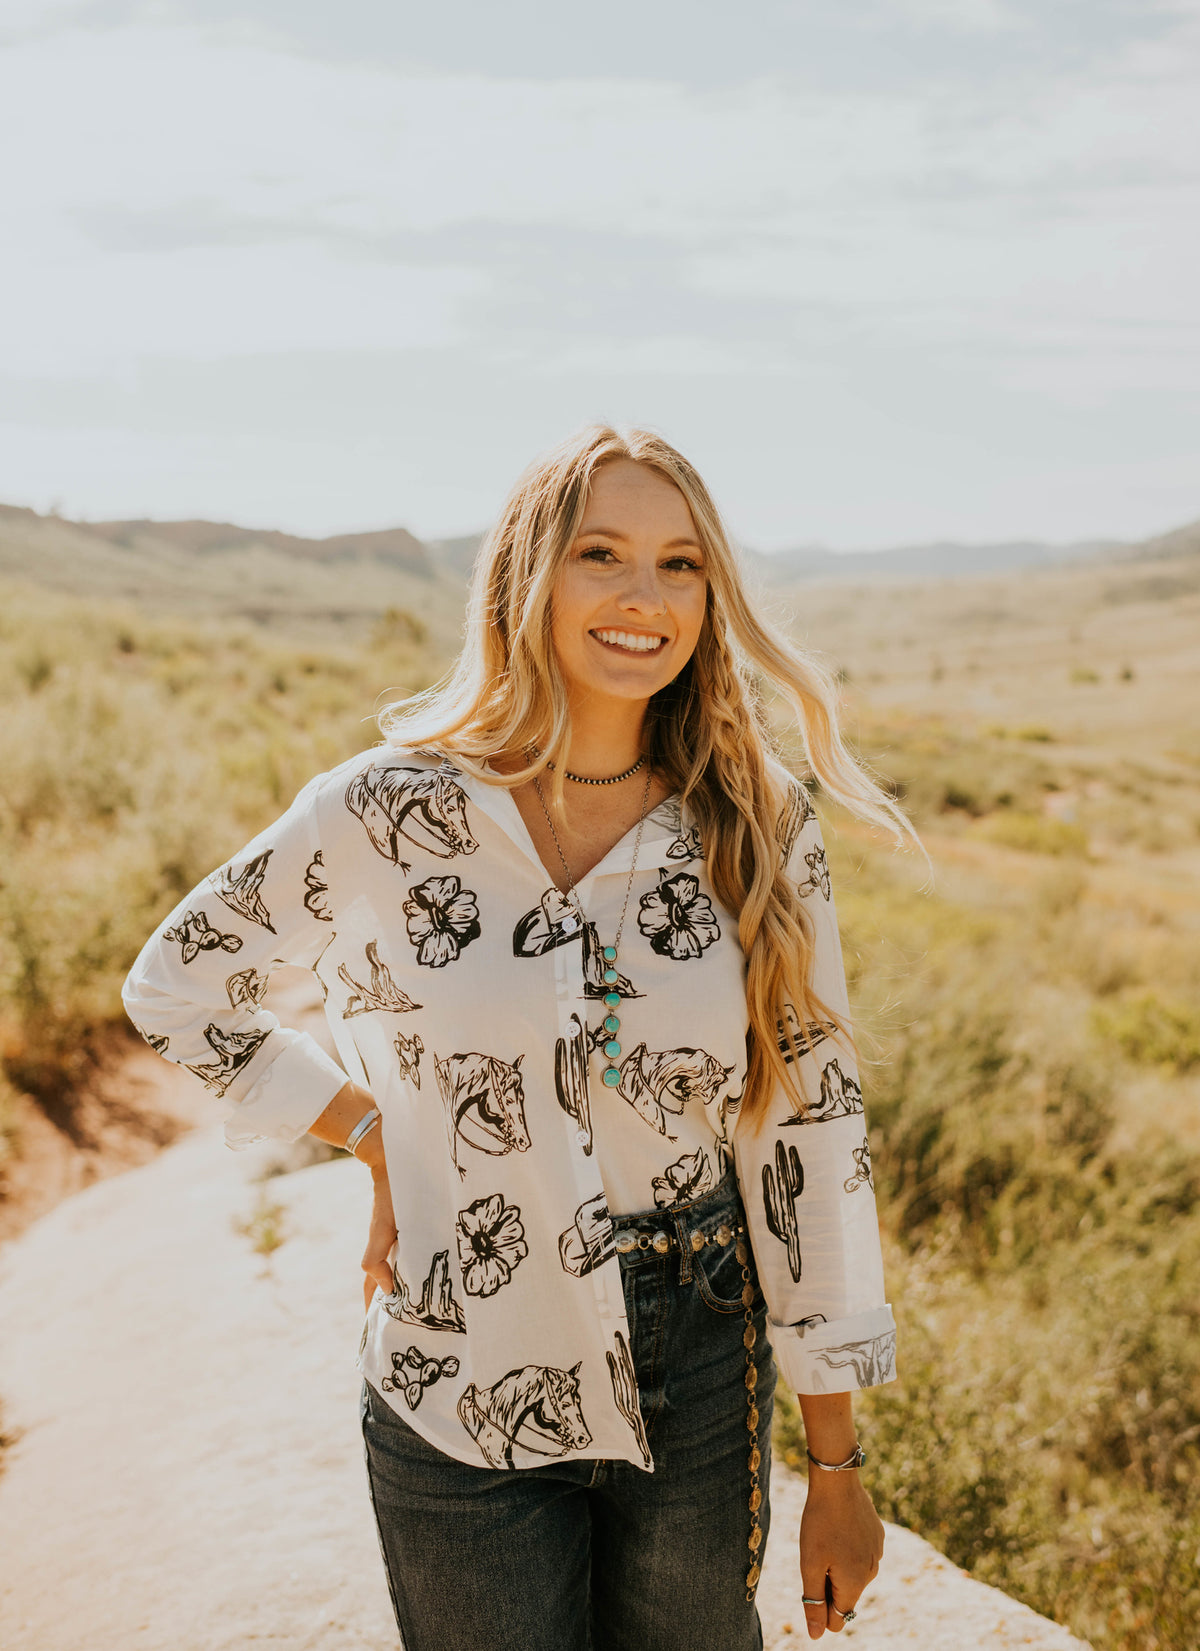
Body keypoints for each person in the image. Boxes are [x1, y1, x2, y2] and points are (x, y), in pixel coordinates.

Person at [123, 425, 915, 1650]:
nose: (645, 597)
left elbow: (811, 1135)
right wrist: (376, 1135)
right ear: (527, 573)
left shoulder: (755, 820)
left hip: (699, 1346)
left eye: (682, 564)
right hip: (456, 1359)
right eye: (602, 554)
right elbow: (177, 986)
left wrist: (839, 1466)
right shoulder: (383, 809)